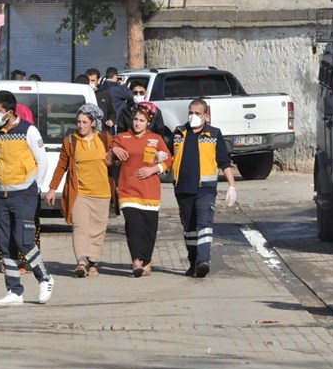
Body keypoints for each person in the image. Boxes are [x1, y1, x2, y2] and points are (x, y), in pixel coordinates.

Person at [0, 90, 54, 305]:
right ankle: (14, 291)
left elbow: (42, 161)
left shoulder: (28, 131)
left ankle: (45, 278)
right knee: (6, 243)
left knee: (25, 240)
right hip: (2, 194)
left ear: (9, 111)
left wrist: (36, 187)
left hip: (24, 194)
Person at [45, 103, 114, 277]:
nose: (81, 126)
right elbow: (61, 166)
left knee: (97, 230)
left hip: (102, 193)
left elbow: (116, 160)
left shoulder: (105, 139)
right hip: (80, 193)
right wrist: (52, 188)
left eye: (84, 122)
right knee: (80, 228)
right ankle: (81, 262)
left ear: (93, 123)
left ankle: (92, 261)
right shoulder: (70, 141)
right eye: (79, 122)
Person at [171, 99, 236, 278]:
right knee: (189, 228)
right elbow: (168, 156)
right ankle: (193, 263)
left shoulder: (214, 134)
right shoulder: (179, 132)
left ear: (205, 116)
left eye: (197, 113)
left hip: (205, 189)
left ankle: (203, 260)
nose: (193, 116)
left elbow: (224, 161)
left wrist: (232, 185)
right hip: (183, 188)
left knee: (204, 224)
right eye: (191, 112)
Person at [107, 102, 173, 277]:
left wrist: (154, 168)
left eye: (141, 120)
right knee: (134, 226)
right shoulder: (122, 138)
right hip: (128, 191)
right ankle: (136, 261)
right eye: (135, 119)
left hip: (150, 192)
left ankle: (147, 261)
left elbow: (169, 161)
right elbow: (108, 153)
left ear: (148, 122)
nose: (137, 123)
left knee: (149, 229)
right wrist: (114, 149)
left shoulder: (156, 139)